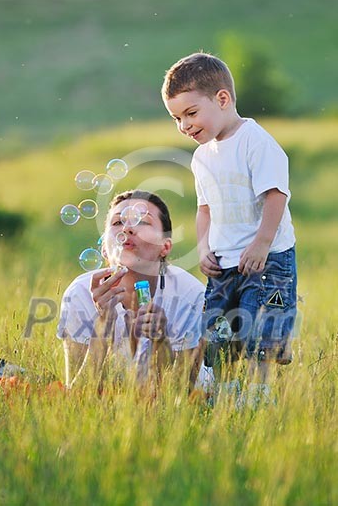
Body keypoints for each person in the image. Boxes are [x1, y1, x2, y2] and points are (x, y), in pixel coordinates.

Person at [162, 52, 297, 405]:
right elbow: (204, 208)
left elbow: (275, 196)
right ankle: (225, 391)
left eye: (191, 113)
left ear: (222, 99)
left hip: (267, 262)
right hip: (224, 262)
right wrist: (204, 246)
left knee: (259, 328)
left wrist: (261, 244)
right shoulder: (202, 157)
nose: (184, 125)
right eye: (177, 118)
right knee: (218, 331)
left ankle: (259, 394)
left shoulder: (256, 141)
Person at [57, 189, 209, 393]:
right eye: (118, 222)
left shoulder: (190, 295)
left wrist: (161, 341)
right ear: (104, 248)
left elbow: (180, 396)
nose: (127, 228)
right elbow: (77, 396)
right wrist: (102, 326)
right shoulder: (80, 294)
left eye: (143, 221)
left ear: (165, 246)